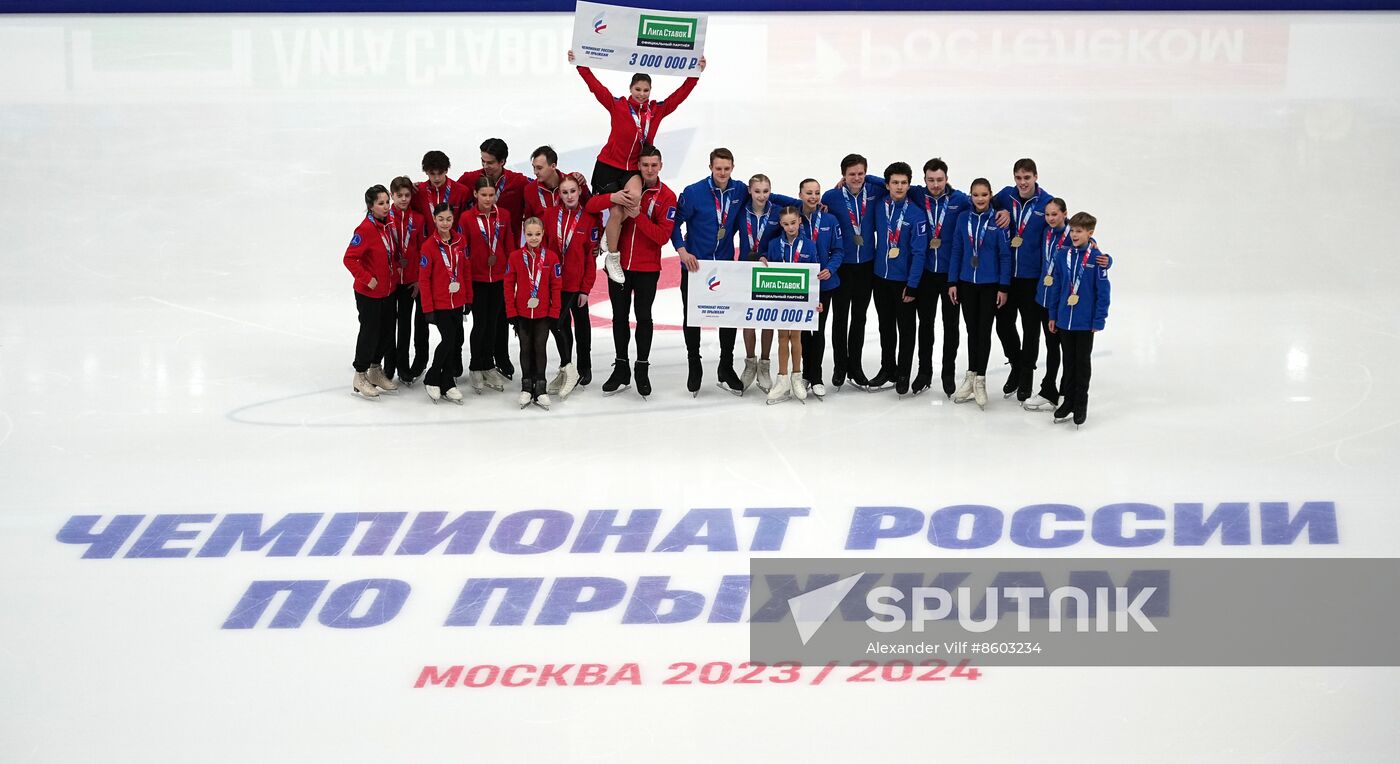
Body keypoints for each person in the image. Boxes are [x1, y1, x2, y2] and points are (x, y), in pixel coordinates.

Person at [568, 49, 703, 282]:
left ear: (651, 91)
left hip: (632, 169)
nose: (641, 94)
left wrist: (695, 75)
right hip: (608, 165)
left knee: (632, 201)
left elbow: (678, 98)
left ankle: (609, 241)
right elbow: (595, 88)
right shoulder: (618, 105)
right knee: (617, 210)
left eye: (646, 90)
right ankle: (612, 255)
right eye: (637, 89)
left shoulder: (656, 111)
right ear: (630, 89)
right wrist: (580, 65)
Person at [585, 144, 677, 398]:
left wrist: (637, 216)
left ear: (660, 166)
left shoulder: (667, 197)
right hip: (620, 266)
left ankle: (642, 369)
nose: (649, 169)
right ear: (638, 166)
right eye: (645, 165)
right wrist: (614, 200)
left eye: (654, 165)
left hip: (647, 268)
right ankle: (621, 367)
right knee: (619, 316)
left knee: (643, 317)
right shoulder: (625, 188)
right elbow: (592, 206)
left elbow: (661, 237)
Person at [671, 147, 748, 396]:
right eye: (718, 169)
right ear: (710, 168)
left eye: (727, 169)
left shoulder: (741, 190)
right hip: (695, 267)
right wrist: (682, 252)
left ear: (733, 168)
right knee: (692, 316)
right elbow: (674, 224)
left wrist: (802, 203)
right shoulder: (693, 192)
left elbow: (766, 198)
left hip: (724, 265)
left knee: (728, 316)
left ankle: (726, 366)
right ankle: (694, 364)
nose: (722, 173)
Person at [821, 154, 889, 389]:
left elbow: (889, 182)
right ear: (843, 176)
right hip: (843, 267)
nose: (857, 178)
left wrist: (869, 177)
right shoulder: (831, 196)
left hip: (867, 266)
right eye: (852, 174)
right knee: (840, 318)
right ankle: (840, 367)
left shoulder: (874, 190)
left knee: (859, 318)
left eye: (861, 173)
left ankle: (856, 367)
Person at [991, 158, 1054, 402]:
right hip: (1006, 277)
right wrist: (1000, 210)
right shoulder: (1006, 196)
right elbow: (981, 204)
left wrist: (1094, 249)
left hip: (1032, 279)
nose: (1022, 182)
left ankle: (1026, 375)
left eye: (1027, 178)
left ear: (1036, 177)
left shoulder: (1046, 202)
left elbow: (1064, 228)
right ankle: (1016, 365)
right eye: (1018, 178)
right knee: (1003, 325)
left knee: (1030, 330)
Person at [907, 158, 971, 397]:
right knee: (925, 325)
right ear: (924, 180)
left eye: (940, 180)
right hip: (924, 274)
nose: (935, 184)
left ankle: (948, 373)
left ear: (947, 178)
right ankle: (924, 372)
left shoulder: (960, 200)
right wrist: (845, 181)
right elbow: (886, 182)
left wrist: (1003, 209)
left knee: (951, 326)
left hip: (950, 277)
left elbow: (985, 202)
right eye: (931, 180)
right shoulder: (915, 195)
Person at [946, 178, 1012, 409]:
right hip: (966, 283)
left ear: (990, 195)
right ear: (971, 197)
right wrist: (952, 281)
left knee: (984, 332)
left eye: (984, 195)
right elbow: (956, 250)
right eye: (976, 195)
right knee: (971, 331)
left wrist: (1003, 287)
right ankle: (970, 376)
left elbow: (1005, 256)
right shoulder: (963, 218)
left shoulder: (998, 221)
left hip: (990, 285)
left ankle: (981, 380)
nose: (980, 199)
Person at [736, 173, 802, 393]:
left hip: (767, 269)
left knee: (766, 317)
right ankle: (749, 364)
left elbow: (798, 204)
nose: (762, 196)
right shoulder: (740, 209)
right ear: (749, 191)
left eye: (766, 191)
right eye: (757, 191)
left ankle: (764, 365)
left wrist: (820, 204)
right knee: (748, 318)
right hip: (745, 268)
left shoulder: (776, 210)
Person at [1045, 212, 1111, 427]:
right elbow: (1056, 287)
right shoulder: (1063, 255)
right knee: (1068, 361)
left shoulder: (1097, 259)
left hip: (1084, 322)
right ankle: (1069, 401)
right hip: (1064, 319)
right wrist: (1053, 315)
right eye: (1072, 230)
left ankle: (1081, 403)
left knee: (1082, 364)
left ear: (1090, 233)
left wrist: (1098, 320)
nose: (1074, 234)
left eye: (1079, 231)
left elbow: (1103, 293)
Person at [870, 162, 929, 395]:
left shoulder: (916, 214)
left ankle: (904, 372)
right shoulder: (878, 206)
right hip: (880, 277)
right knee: (885, 327)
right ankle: (888, 369)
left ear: (909, 184)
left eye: (904, 183)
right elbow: (869, 180)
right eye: (895, 182)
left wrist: (913, 285)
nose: (899, 187)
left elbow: (919, 253)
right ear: (887, 185)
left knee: (905, 330)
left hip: (904, 282)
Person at [543, 174, 601, 397]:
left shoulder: (589, 218)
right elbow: (545, 250)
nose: (569, 196)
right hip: (556, 283)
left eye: (573, 191)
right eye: (565, 192)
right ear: (559, 194)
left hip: (577, 285)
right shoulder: (549, 215)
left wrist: (585, 289)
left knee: (581, 324)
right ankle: (567, 367)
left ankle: (583, 367)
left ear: (579, 192)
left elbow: (590, 258)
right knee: (560, 325)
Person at [762, 207, 824, 404]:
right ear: (781, 224)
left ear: (799, 222)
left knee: (796, 336)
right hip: (780, 297)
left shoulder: (809, 246)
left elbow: (815, 275)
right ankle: (782, 379)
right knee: (782, 336)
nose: (790, 227)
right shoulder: (773, 245)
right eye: (786, 224)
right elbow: (768, 272)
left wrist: (816, 300)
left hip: (800, 298)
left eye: (793, 223)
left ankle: (796, 376)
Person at [343, 185, 399, 399]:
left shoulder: (388, 224)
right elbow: (349, 258)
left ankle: (376, 370)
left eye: (387, 202)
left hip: (388, 290)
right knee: (370, 333)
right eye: (381, 203)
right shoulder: (365, 229)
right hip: (369, 293)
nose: (386, 207)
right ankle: (360, 374)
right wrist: (368, 279)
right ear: (370, 206)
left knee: (386, 333)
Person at [464, 175, 516, 394]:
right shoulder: (467, 218)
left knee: (494, 323)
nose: (488, 199)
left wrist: (513, 276)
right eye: (483, 195)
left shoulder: (504, 215)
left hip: (498, 279)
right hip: (477, 279)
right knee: (480, 324)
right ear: (475, 194)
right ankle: (477, 365)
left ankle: (489, 365)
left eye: (491, 195)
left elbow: (510, 246)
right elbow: (463, 253)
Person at [504, 218, 563, 409]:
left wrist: (555, 312)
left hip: (543, 313)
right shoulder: (514, 257)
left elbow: (556, 287)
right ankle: (526, 386)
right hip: (521, 313)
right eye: (529, 234)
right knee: (525, 347)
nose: (534, 238)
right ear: (524, 234)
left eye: (537, 234)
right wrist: (511, 311)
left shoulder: (551, 258)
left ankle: (541, 387)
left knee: (540, 347)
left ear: (543, 232)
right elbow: (507, 285)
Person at [417, 202, 472, 404]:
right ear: (434, 219)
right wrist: (428, 308)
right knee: (448, 340)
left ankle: (448, 381)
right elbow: (424, 280)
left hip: (457, 302)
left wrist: (468, 298)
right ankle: (432, 377)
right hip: (439, 304)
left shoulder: (460, 241)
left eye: (448, 219)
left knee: (457, 341)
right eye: (441, 219)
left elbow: (465, 271)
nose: (445, 223)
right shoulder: (429, 246)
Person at [797, 178, 844, 398]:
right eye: (808, 193)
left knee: (818, 330)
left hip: (824, 284)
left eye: (817, 193)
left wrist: (831, 269)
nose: (813, 197)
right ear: (800, 195)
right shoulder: (793, 218)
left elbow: (839, 250)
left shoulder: (830, 220)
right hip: (800, 285)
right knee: (803, 331)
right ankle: (804, 374)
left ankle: (816, 376)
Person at [384, 176, 428, 386]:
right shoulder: (385, 219)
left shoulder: (418, 219)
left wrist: (419, 279)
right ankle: (388, 364)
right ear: (392, 195)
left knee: (405, 325)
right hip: (390, 283)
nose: (403, 199)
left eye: (407, 195)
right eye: (399, 195)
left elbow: (423, 251)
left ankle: (403, 366)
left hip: (410, 282)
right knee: (388, 323)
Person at [459, 138, 531, 237]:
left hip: (509, 246)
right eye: (483, 161)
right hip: (478, 244)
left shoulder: (518, 181)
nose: (485, 165)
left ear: (502, 161)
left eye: (490, 163)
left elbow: (541, 187)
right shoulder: (469, 179)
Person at [524, 145, 592, 221]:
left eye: (539, 168)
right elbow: (529, 222)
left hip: (573, 231)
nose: (535, 172)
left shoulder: (575, 181)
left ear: (553, 166)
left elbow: (592, 208)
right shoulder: (530, 190)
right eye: (534, 167)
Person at [412, 151, 469, 230]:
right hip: (427, 241)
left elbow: (467, 223)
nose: (437, 178)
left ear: (446, 171)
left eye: (440, 173)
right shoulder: (417, 192)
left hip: (454, 241)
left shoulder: (461, 191)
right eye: (432, 173)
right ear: (426, 172)